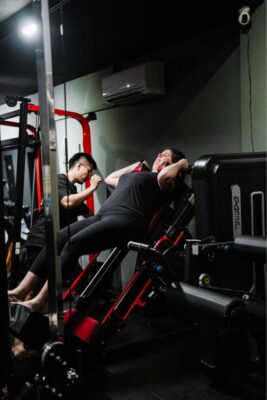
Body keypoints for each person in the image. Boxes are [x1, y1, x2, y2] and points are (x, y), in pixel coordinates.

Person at [8, 148, 189, 311]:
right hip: (105, 215)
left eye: (164, 155)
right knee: (59, 237)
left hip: (126, 220)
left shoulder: (163, 182)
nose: (158, 155)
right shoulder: (143, 175)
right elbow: (110, 178)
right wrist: (135, 165)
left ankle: (39, 301)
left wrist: (182, 164)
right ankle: (20, 290)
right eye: (159, 153)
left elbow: (167, 176)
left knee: (73, 243)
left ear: (172, 165)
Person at [8, 151, 102, 300]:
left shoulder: (72, 190)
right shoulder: (58, 180)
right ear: (79, 166)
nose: (90, 175)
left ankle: (78, 311)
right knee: (33, 291)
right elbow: (67, 202)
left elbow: (88, 214)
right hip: (41, 241)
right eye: (89, 170)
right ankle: (25, 319)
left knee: (79, 280)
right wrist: (92, 188)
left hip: (57, 243)